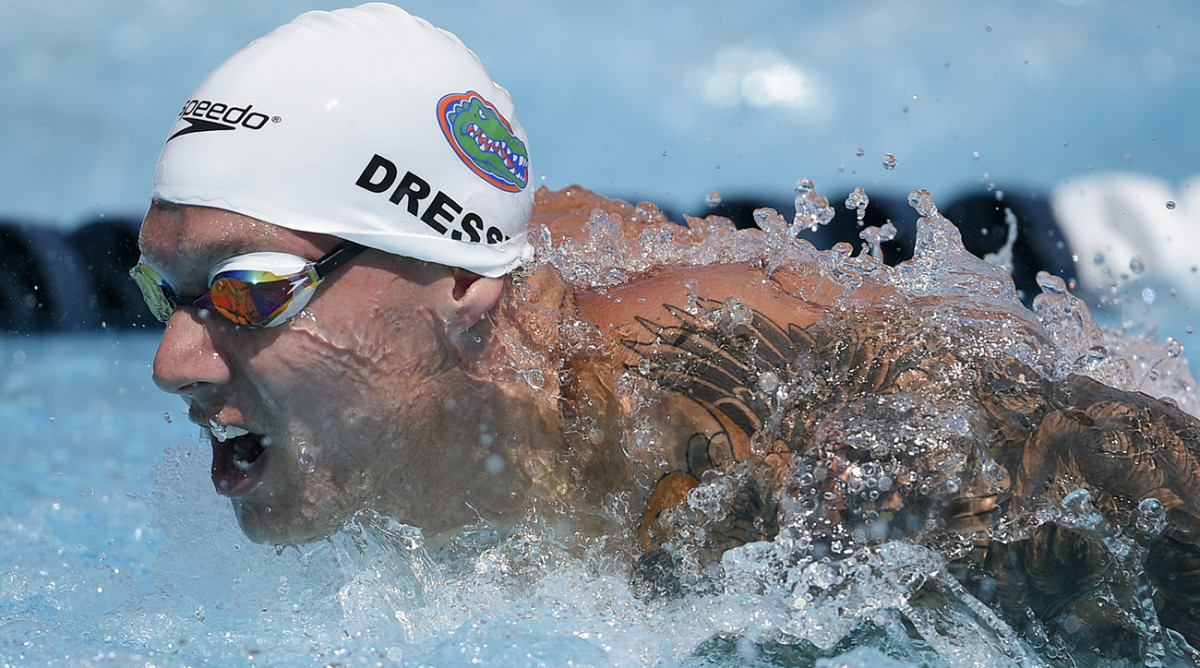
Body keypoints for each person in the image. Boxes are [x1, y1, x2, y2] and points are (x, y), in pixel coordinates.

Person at [132, 3, 1200, 657]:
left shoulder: (727, 432)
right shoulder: (385, 385)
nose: (172, 362)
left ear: (465, 292)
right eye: (163, 290)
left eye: (246, 291)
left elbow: (1140, 488)